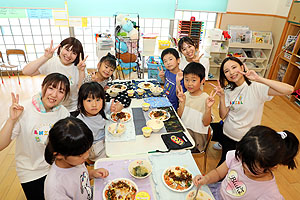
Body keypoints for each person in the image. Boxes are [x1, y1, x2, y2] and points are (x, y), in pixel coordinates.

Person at [210, 56, 294, 166]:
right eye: (226, 71)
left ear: (242, 67)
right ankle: (222, 143)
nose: (231, 72)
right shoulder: (228, 90)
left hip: (244, 140)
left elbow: (289, 90)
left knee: (231, 168)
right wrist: (222, 97)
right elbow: (222, 116)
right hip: (226, 133)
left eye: (234, 67)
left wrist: (259, 79)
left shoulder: (256, 87)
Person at [0, 73, 70, 199]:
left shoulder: (63, 113)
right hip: (31, 172)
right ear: (43, 86)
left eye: (61, 91)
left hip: (56, 167)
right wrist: (11, 120)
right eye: (51, 88)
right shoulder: (23, 109)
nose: (54, 95)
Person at [193, 125, 299, 200]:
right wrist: (206, 179)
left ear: (272, 166)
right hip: (216, 192)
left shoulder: (269, 194)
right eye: (241, 159)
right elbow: (218, 173)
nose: (242, 164)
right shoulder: (240, 156)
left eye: (249, 166)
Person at [44, 117, 109, 200]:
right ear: (59, 155)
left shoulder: (76, 161)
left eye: (88, 150)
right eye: (80, 155)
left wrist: (92, 174)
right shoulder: (55, 189)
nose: (86, 156)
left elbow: (79, 178)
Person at [22, 37, 88, 116]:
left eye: (74, 53)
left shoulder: (79, 67)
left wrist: (81, 71)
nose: (69, 55)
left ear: (78, 56)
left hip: (71, 109)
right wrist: (45, 57)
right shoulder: (51, 61)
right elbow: (26, 71)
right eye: (67, 50)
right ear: (60, 48)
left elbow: (83, 90)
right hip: (50, 107)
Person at [77, 82, 123, 162]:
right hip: (96, 149)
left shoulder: (103, 108)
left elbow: (119, 105)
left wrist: (118, 107)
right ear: (81, 102)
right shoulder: (80, 122)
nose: (94, 104)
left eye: (98, 100)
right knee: (117, 158)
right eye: (89, 100)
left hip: (108, 139)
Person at [176, 62, 216, 152]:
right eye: (186, 80)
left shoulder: (206, 98)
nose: (189, 84)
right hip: (184, 133)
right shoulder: (185, 95)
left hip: (197, 138)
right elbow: (179, 117)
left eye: (193, 80)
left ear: (202, 81)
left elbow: (206, 123)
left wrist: (208, 108)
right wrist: (181, 104)